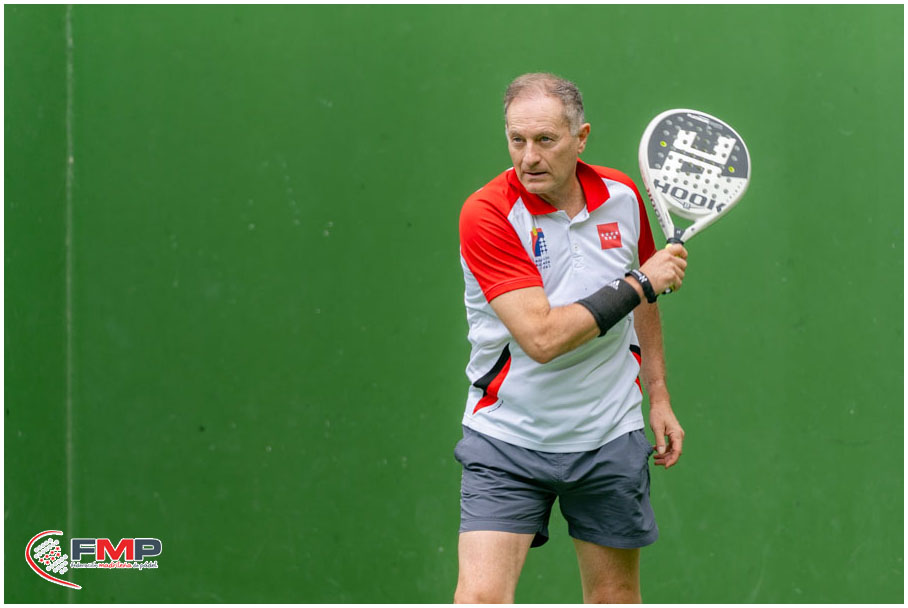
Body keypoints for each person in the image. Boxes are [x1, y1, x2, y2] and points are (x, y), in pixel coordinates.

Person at [453, 73, 687, 604]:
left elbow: (644, 302)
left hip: (609, 434)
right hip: (507, 438)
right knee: (480, 598)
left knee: (614, 598)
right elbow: (541, 337)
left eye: (545, 140)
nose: (529, 157)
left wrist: (659, 395)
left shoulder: (622, 196)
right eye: (517, 140)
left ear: (581, 138)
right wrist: (640, 281)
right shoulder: (487, 214)